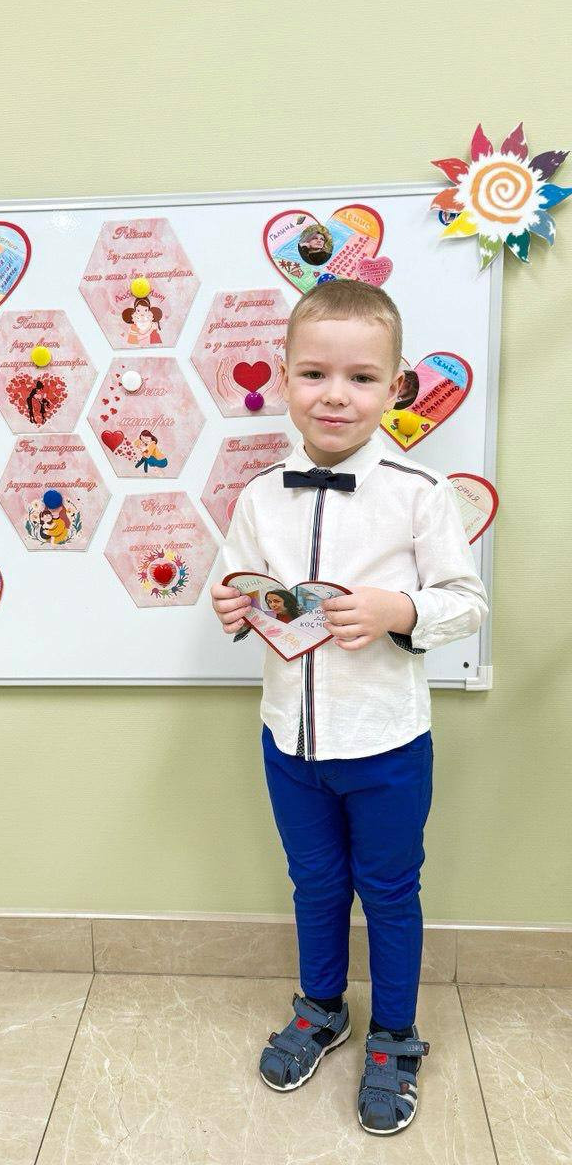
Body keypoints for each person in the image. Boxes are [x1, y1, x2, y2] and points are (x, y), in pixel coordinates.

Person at [210, 278, 489, 1136]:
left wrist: (400, 610)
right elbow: (238, 589)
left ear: (395, 387)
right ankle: (322, 1006)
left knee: (390, 889)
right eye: (315, 374)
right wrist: (229, 604)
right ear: (284, 379)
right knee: (315, 882)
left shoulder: (419, 492)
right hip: (287, 741)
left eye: (361, 378)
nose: (336, 395)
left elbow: (467, 602)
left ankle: (395, 1035)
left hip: (386, 744)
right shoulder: (258, 495)